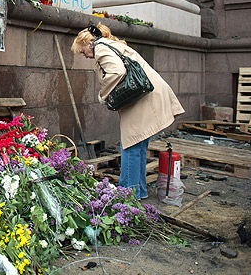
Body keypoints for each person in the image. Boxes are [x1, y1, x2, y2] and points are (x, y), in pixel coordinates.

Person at [71, 23, 184, 199]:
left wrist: (103, 95)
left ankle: (128, 195)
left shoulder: (100, 47)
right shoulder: (113, 45)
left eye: (82, 50)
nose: (84, 55)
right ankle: (139, 191)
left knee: (130, 145)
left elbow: (117, 72)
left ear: (88, 42)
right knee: (138, 144)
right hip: (149, 94)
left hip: (143, 99)